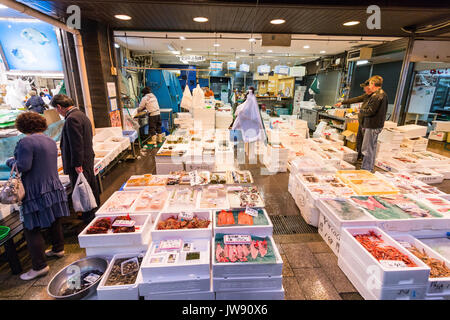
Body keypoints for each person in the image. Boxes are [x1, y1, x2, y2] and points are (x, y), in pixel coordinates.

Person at [6, 112, 70, 280]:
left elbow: (24, 166)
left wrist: (10, 162)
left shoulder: (25, 142)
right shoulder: (49, 140)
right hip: (53, 186)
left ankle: (39, 266)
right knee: (54, 219)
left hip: (35, 190)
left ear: (22, 126)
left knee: (31, 227)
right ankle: (58, 249)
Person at [50, 94, 100, 223]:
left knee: (83, 189)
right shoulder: (80, 114)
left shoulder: (72, 118)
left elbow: (76, 144)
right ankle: (94, 212)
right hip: (87, 158)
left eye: (56, 109)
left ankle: (89, 218)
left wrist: (77, 164)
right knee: (89, 186)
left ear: (59, 107)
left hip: (80, 163)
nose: (57, 112)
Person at [335, 80, 371, 160]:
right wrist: (342, 102)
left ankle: (364, 160)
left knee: (366, 144)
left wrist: (360, 111)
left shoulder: (374, 97)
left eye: (365, 88)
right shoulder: (366, 96)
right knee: (359, 141)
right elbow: (356, 99)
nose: (364, 90)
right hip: (362, 123)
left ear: (370, 87)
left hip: (369, 124)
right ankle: (359, 157)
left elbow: (372, 111)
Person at [359, 75, 388, 172]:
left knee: (367, 149)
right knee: (371, 148)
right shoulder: (383, 94)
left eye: (370, 83)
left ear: (373, 84)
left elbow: (370, 111)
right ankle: (369, 167)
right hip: (376, 125)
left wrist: (361, 110)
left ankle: (365, 170)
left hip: (372, 125)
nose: (369, 86)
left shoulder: (377, 96)